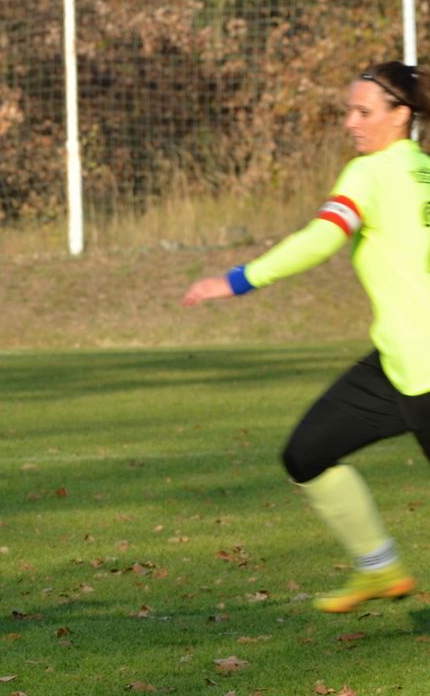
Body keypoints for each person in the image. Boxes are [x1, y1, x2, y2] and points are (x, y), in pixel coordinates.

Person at [182, 61, 426, 613]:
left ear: (400, 115)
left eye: (363, 111)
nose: (350, 122)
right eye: (349, 110)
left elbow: (321, 239)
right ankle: (378, 567)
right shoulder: (423, 171)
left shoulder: (370, 172)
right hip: (398, 361)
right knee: (307, 453)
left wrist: (238, 280)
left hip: (423, 367)